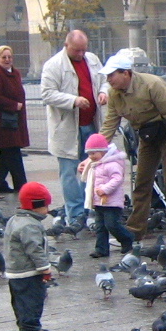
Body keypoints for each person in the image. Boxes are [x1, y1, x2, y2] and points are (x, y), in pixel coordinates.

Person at [100, 49, 166, 248]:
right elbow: (110, 124)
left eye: (111, 75)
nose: (108, 79)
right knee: (141, 182)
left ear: (125, 73)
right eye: (107, 76)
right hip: (146, 136)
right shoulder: (114, 93)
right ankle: (133, 232)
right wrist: (95, 152)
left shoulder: (152, 85)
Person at [41, 30, 106, 227]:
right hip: (67, 127)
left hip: (91, 125)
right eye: (77, 50)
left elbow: (104, 80)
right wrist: (73, 100)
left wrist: (103, 92)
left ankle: (89, 209)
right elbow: (47, 94)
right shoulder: (53, 65)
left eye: (83, 50)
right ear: (66, 45)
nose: (81, 54)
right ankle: (76, 214)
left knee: (91, 169)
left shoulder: (92, 60)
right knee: (69, 172)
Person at [4, 182, 56, 331]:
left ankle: (24, 328)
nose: (47, 209)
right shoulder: (29, 225)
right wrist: (45, 268)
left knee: (20, 302)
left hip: (15, 271)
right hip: (28, 272)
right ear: (36, 206)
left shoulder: (15, 219)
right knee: (33, 302)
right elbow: (34, 249)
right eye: (45, 205)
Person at [78, 134, 133, 259]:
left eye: (94, 153)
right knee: (100, 227)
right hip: (99, 201)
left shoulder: (112, 164)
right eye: (89, 154)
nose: (91, 156)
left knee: (111, 225)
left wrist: (104, 189)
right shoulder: (96, 164)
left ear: (103, 151)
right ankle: (101, 249)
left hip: (112, 202)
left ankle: (127, 238)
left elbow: (117, 179)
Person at [0, 45, 29, 195]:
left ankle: (0, 184)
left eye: (9, 57)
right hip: (4, 121)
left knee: (7, 152)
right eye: (4, 57)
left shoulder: (15, 73)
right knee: (13, 151)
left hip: (15, 119)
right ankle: (21, 185)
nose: (7, 60)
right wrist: (13, 105)